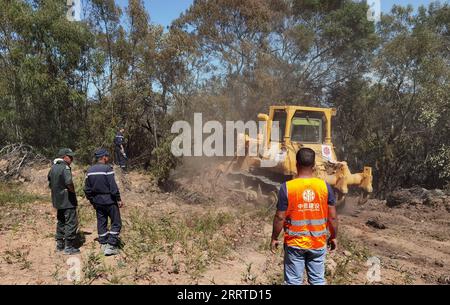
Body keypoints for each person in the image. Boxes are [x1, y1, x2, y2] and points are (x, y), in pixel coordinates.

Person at [270, 147, 338, 285]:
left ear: (296, 164)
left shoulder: (287, 187)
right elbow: (333, 217)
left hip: (295, 244)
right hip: (317, 243)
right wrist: (334, 236)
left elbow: (279, 217)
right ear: (313, 166)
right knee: (318, 281)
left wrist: (274, 237)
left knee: (293, 281)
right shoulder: (324, 187)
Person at [84, 149, 124, 256]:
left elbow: (87, 189)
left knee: (102, 223)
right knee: (116, 223)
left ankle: (103, 244)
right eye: (107, 156)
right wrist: (118, 199)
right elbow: (113, 186)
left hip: (98, 202)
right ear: (104, 157)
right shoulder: (107, 169)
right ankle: (111, 246)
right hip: (110, 201)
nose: (108, 158)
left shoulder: (90, 170)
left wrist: (92, 200)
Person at [48, 148, 80, 255]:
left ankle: (59, 245)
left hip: (57, 200)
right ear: (64, 157)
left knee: (61, 221)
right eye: (70, 157)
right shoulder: (65, 168)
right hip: (67, 200)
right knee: (71, 222)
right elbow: (69, 182)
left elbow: (50, 183)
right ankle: (69, 247)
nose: (72, 159)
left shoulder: (53, 168)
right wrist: (72, 191)